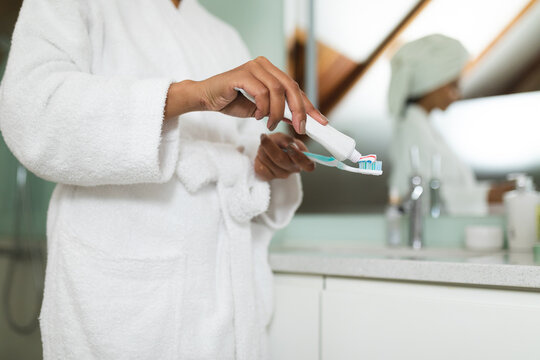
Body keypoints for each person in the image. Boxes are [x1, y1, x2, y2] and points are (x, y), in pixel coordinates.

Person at [0, 0, 328, 359]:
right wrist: (192, 95)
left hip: (227, 308)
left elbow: (235, 157)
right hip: (126, 312)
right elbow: (33, 111)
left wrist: (261, 161)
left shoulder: (222, 35)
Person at [387, 34, 512, 215]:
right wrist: (487, 195)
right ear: (432, 82)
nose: (458, 95)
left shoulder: (424, 125)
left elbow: (445, 187)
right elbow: (419, 196)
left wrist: (492, 191)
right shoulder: (411, 126)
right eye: (454, 85)